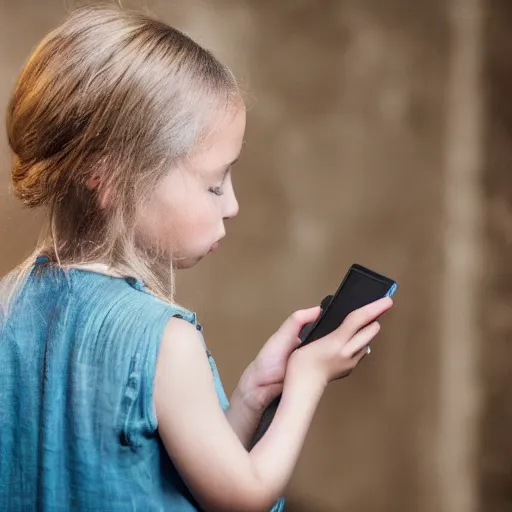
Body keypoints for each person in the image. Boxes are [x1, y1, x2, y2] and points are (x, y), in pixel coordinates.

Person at [0, 5, 393, 511]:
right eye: (214, 183)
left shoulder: (9, 306)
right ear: (111, 178)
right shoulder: (165, 341)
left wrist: (252, 394)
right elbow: (242, 495)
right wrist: (307, 379)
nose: (232, 205)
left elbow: (175, 474)